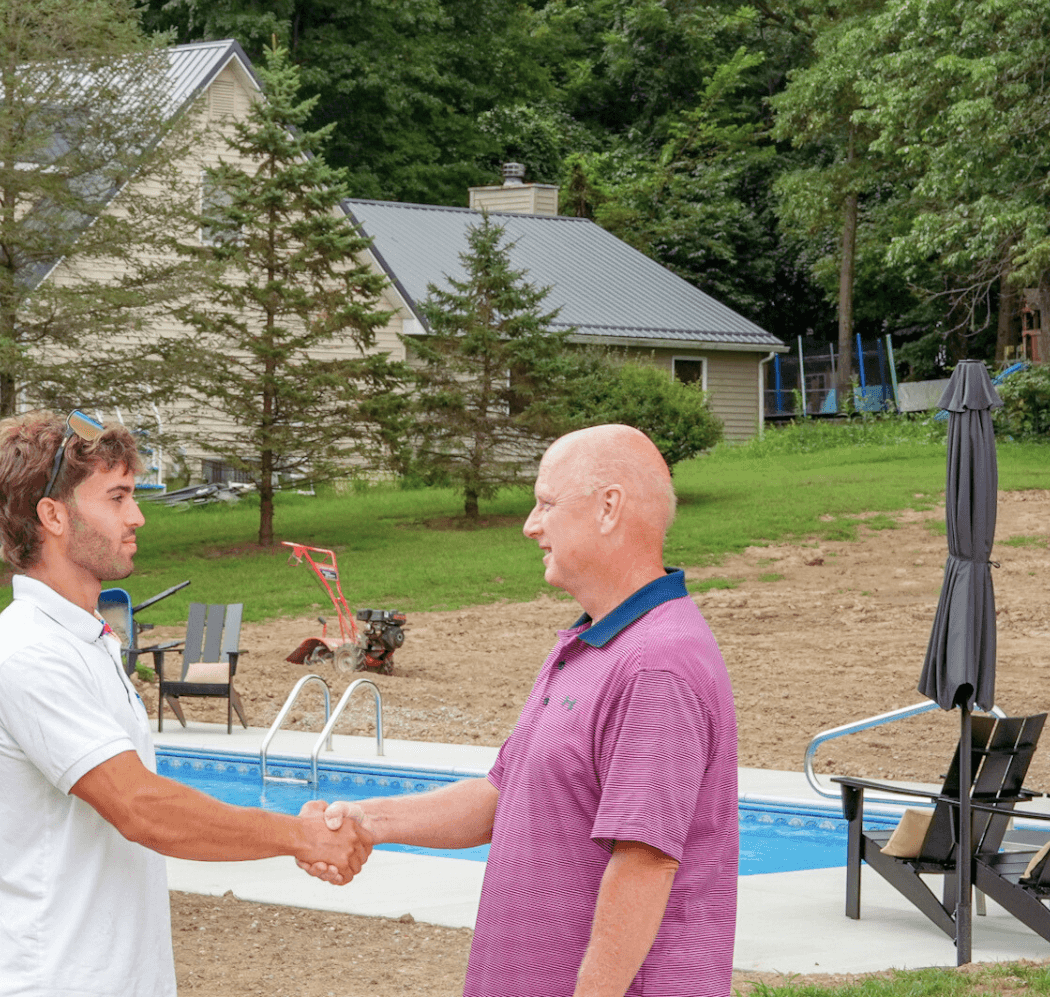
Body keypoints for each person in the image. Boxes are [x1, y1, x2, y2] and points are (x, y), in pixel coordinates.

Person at [305, 424, 739, 997]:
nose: (531, 525)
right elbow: (505, 797)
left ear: (609, 507)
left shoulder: (658, 664)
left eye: (546, 503)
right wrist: (371, 821)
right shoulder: (591, 643)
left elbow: (643, 866)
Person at [0, 411, 372, 997]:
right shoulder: (31, 654)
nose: (137, 516)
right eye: (118, 497)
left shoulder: (84, 639)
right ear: (52, 515)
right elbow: (142, 808)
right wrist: (300, 835)